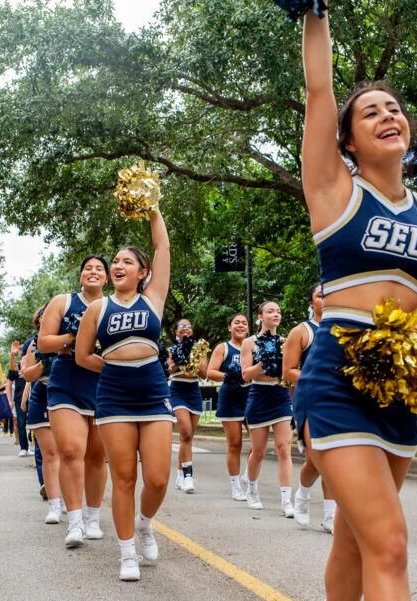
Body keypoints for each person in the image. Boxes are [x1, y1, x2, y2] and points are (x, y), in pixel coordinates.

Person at [294, 11, 417, 599]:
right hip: (339, 376)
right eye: (370, 111)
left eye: (394, 109)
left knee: (356, 539)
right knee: (392, 544)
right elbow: (320, 88)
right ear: (347, 139)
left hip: (404, 384)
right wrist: (314, 13)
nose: (387, 115)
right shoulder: (334, 188)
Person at [75, 207, 171, 582]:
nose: (118, 265)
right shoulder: (98, 308)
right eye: (115, 260)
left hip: (152, 390)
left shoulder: (154, 298)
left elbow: (162, 247)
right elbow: (83, 356)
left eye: (127, 261)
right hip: (114, 395)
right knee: (125, 476)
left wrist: (153, 211)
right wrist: (115, 368)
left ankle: (145, 524)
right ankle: (127, 552)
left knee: (159, 478)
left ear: (142, 272)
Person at [39, 255, 109, 547]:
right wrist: (75, 337)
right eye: (87, 269)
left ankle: (93, 519)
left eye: (99, 269)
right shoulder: (62, 302)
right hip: (66, 379)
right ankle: (75, 522)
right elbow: (44, 342)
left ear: (106, 278)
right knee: (70, 450)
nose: (93, 272)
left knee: (96, 455)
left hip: (103, 382)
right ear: (81, 276)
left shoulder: (113, 305)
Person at [283, 282, 335, 533]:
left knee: (334, 460)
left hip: (338, 401)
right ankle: (302, 495)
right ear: (311, 302)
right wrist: (318, 377)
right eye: (320, 295)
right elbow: (289, 371)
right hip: (309, 401)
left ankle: (330, 516)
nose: (326, 298)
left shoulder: (346, 328)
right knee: (317, 460)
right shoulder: (301, 332)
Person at [240, 301, 294, 516]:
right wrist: (263, 363)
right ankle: (251, 490)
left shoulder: (287, 341)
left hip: (280, 395)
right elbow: (245, 375)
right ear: (260, 316)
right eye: (270, 311)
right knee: (259, 451)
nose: (276, 314)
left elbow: (290, 371)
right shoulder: (249, 343)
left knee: (284, 448)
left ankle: (286, 500)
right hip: (259, 395)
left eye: (279, 311)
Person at [20, 305, 64, 524]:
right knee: (50, 453)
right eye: (42, 317)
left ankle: (69, 498)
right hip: (42, 392)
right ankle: (54, 505)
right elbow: (27, 374)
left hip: (68, 394)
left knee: (69, 452)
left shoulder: (70, 335)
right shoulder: (32, 344)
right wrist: (45, 363)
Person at [205, 314, 250, 501]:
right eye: (236, 323)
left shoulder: (253, 346)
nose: (240, 325)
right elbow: (210, 372)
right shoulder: (223, 348)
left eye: (244, 323)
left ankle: (248, 475)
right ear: (229, 327)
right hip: (230, 399)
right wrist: (228, 376)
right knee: (235, 444)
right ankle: (236, 486)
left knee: (260, 443)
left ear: (248, 328)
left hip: (252, 397)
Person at [168, 318, 208, 494]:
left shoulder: (199, 349)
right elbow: (168, 369)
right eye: (181, 326)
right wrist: (179, 359)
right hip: (177, 390)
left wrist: (193, 357)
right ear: (176, 331)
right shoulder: (171, 349)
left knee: (188, 438)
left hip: (193, 390)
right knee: (185, 432)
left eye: (188, 326)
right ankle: (188, 476)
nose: (185, 329)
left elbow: (205, 374)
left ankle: (179, 475)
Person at [6, 340, 30, 457]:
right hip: (19, 399)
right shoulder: (16, 365)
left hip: (34, 397)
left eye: (22, 349)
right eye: (19, 349)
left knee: (36, 423)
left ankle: (35, 447)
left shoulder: (33, 362)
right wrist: (12, 354)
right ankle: (23, 447)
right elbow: (9, 380)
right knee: (21, 423)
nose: (21, 351)